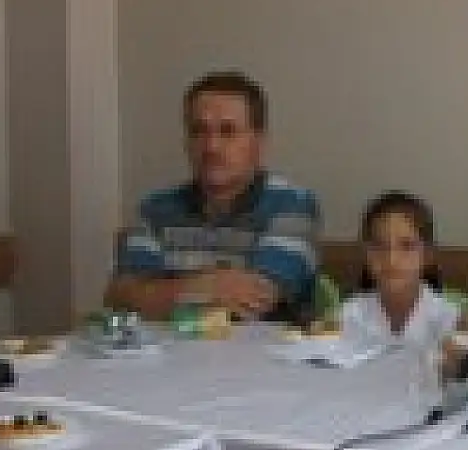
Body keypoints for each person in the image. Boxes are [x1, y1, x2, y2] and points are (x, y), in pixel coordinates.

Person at [107, 70, 321, 323]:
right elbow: (121, 300)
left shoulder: (292, 204)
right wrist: (207, 287)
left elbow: (257, 297)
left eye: (228, 131)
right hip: (169, 347)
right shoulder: (154, 209)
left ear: (259, 143)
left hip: (261, 348)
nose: (211, 146)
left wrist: (161, 295)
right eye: (199, 131)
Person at [340, 191, 459, 350]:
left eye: (407, 246)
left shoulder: (449, 321)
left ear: (427, 255)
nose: (392, 260)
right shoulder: (348, 317)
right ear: (366, 253)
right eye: (379, 246)